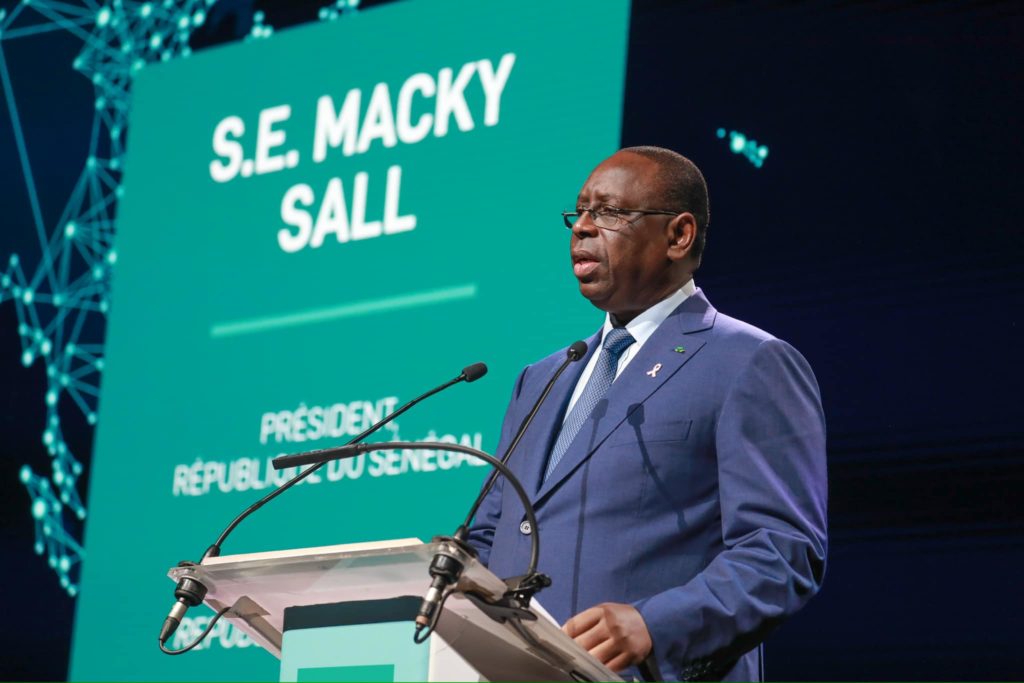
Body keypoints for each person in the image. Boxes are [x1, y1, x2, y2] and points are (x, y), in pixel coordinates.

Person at [468, 146, 828, 681]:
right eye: (579, 212)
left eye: (609, 213)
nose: (582, 228)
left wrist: (655, 626)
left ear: (678, 235)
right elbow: (492, 535)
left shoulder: (748, 362)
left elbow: (782, 552)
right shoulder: (541, 379)